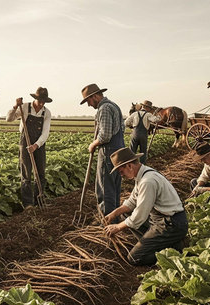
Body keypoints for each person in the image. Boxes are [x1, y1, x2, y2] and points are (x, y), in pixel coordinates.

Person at [104, 147, 188, 266]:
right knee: (125, 213)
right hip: (162, 220)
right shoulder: (142, 175)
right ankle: (159, 242)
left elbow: (140, 215)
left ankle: (173, 250)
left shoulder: (147, 181)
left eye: (121, 171)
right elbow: (132, 201)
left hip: (172, 224)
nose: (121, 175)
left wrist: (118, 227)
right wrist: (115, 213)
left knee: (134, 258)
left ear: (129, 166)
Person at [80, 83, 125, 216]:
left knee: (105, 190)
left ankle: (107, 221)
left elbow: (105, 135)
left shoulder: (104, 108)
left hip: (108, 153)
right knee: (114, 189)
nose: (88, 104)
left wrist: (93, 144)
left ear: (94, 96)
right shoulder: (114, 105)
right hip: (119, 152)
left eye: (88, 101)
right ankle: (114, 219)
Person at [6, 87, 52, 209]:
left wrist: (36, 145)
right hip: (25, 142)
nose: (41, 103)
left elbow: (45, 133)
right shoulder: (25, 107)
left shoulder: (46, 113)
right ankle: (28, 204)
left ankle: (39, 200)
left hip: (39, 144)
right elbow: (8, 119)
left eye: (44, 101)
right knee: (26, 174)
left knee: (41, 173)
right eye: (40, 100)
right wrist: (16, 106)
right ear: (35, 98)